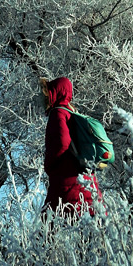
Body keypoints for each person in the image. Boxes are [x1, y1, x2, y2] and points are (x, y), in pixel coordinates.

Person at [40, 76, 100, 219]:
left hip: (65, 181)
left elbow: (63, 142)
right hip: (84, 179)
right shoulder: (72, 112)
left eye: (47, 93)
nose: (44, 98)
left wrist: (50, 164)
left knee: (48, 228)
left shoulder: (58, 113)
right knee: (89, 226)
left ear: (55, 93)